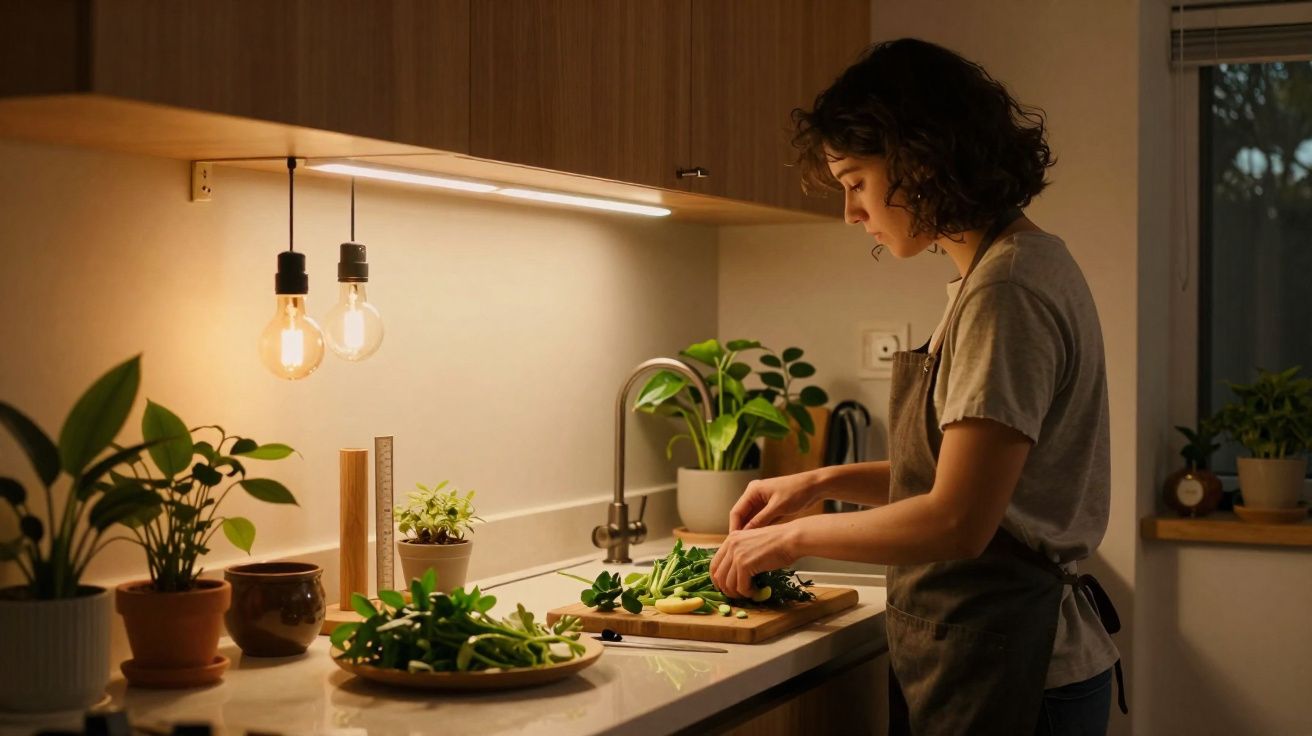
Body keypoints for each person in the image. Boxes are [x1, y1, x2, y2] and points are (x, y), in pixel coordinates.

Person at [708, 38, 1124, 736]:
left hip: (1019, 669)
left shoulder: (1007, 289)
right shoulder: (1005, 268)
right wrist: (820, 480)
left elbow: (959, 520)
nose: (851, 213)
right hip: (999, 654)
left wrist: (789, 540)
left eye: (855, 182)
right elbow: (965, 479)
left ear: (920, 160)